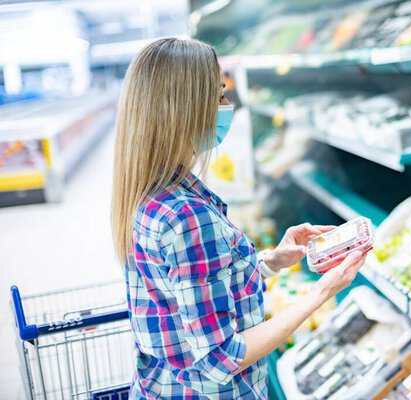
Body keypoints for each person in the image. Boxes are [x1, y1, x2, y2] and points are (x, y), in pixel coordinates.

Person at [110, 38, 367, 399]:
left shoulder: (152, 193)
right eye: (218, 97)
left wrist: (270, 261)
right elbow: (221, 359)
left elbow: (187, 291)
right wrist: (320, 293)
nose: (227, 107)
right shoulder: (188, 216)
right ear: (185, 108)